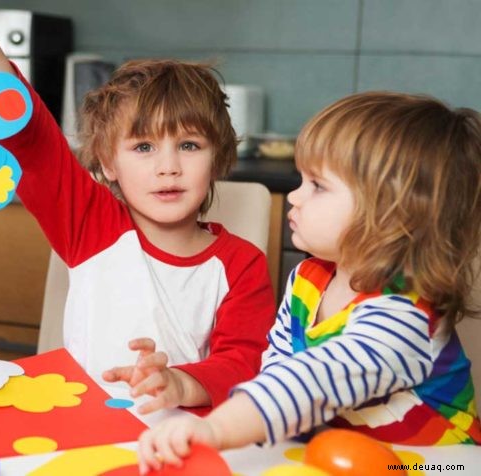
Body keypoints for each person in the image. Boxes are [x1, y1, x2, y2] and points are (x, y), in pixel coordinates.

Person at [0, 0, 275, 413]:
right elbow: (33, 142)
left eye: (189, 145)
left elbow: (245, 365)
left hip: (184, 441)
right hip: (82, 435)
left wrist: (178, 382)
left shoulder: (241, 265)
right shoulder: (90, 224)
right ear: (108, 163)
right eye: (143, 146)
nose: (168, 167)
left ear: (218, 157)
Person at [137, 91, 481, 473]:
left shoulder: (403, 313)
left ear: (390, 212)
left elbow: (315, 380)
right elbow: (279, 368)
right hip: (342, 456)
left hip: (435, 465)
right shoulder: (308, 279)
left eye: (317, 186)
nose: (294, 198)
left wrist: (217, 428)